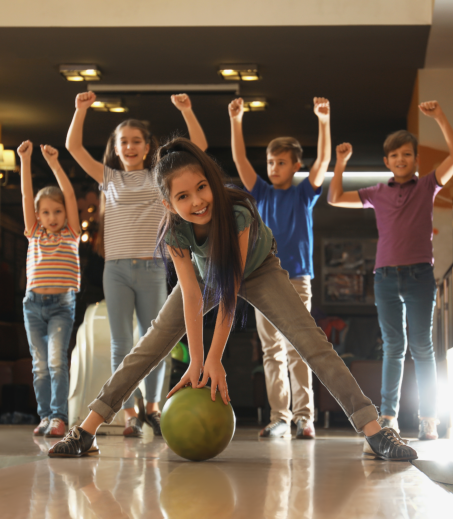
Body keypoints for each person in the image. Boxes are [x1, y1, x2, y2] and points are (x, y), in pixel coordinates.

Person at [48, 137, 417, 462]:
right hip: (209, 276)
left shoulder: (237, 213)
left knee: (311, 342)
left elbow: (231, 288)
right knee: (150, 345)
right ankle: (86, 429)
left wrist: (214, 359)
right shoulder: (174, 231)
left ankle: (373, 431)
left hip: (258, 271)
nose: (196, 201)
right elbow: (193, 294)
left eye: (202, 188)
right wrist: (196, 361)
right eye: (182, 196)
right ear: (167, 203)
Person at [65, 91, 208, 437]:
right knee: (121, 344)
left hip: (153, 269)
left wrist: (187, 111)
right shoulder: (109, 178)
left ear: (147, 147)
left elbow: (198, 146)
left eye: (136, 142)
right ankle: (129, 413)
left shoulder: (159, 175)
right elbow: (73, 147)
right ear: (116, 148)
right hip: (115, 270)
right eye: (123, 142)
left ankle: (154, 409)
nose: (129, 147)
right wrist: (80, 110)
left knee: (157, 342)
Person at [328, 100, 453, 442]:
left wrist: (440, 117)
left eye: (407, 155)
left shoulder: (428, 185)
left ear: (415, 159)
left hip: (419, 276)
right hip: (384, 276)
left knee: (423, 347)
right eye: (394, 155)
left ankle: (429, 419)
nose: (401, 160)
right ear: (386, 161)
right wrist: (339, 163)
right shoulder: (376, 192)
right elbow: (335, 197)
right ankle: (389, 417)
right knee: (394, 347)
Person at [228, 97, 330, 439]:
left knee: (297, 347)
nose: (273, 167)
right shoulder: (260, 192)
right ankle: (280, 417)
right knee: (271, 351)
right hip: (261, 280)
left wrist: (323, 121)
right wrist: (236, 121)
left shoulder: (304, 195)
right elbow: (240, 160)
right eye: (271, 162)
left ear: (296, 165)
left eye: (281, 162)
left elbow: (324, 161)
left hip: (297, 279)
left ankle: (305, 417)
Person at [19, 141, 81, 438]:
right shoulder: (35, 233)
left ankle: (59, 417)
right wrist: (25, 161)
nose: (52, 217)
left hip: (61, 305)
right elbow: (26, 194)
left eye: (57, 211)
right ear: (38, 215)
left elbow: (68, 194)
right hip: (33, 304)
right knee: (40, 365)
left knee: (57, 362)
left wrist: (55, 163)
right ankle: (44, 416)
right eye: (45, 212)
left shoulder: (71, 233)